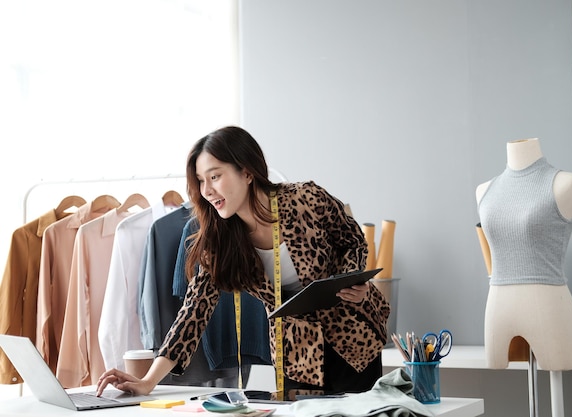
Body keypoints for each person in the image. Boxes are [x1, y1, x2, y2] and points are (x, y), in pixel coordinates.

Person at [96, 126, 390, 397]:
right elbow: (193, 313)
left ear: (247, 173)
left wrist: (354, 280)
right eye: (200, 181)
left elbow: (352, 239)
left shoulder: (305, 199)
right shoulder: (220, 240)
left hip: (352, 336)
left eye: (215, 176)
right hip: (297, 351)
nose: (207, 190)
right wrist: (148, 381)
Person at [476, 138, 572, 371]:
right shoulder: (485, 190)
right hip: (497, 307)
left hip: (549, 308)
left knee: (556, 386)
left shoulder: (566, 183)